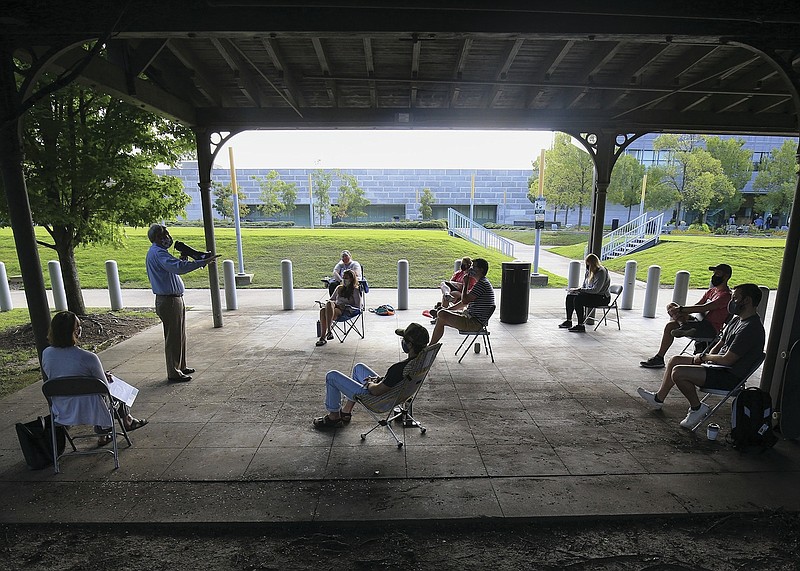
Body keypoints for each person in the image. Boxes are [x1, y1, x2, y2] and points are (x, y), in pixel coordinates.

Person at [637, 283, 766, 429]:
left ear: (747, 301)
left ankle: (697, 408)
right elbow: (721, 344)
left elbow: (728, 359)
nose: (731, 303)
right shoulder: (737, 320)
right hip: (717, 367)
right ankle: (658, 399)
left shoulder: (751, 329)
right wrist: (705, 357)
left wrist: (704, 358)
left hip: (729, 376)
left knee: (678, 372)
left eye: (735, 298)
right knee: (675, 360)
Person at [41, 311, 147, 446]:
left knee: (97, 390)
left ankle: (121, 424)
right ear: (75, 332)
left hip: (62, 409)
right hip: (93, 408)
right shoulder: (88, 357)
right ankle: (119, 424)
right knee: (113, 387)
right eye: (78, 326)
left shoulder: (46, 354)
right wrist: (102, 378)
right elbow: (104, 389)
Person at [313, 322, 430, 430]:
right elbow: (392, 382)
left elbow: (376, 391)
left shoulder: (399, 368)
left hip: (379, 399)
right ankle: (346, 411)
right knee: (359, 368)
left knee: (332, 376)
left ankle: (334, 417)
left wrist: (370, 384)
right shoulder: (419, 362)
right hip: (396, 394)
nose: (402, 342)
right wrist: (380, 380)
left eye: (403, 339)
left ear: (409, 345)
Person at [145, 223, 218, 382]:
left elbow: (173, 269)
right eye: (165, 233)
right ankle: (174, 371)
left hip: (173, 299)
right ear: (158, 237)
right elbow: (178, 267)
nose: (168, 237)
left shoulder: (159, 253)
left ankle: (181, 366)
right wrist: (200, 261)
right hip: (169, 300)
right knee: (173, 337)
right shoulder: (158, 253)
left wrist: (185, 257)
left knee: (179, 335)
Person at [640, 264, 733, 369]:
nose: (714, 276)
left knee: (673, 318)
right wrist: (681, 312)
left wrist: (680, 310)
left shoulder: (726, 296)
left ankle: (683, 326)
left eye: (718, 274)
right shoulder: (712, 291)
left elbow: (704, 307)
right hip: (698, 321)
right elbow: (697, 305)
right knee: (671, 307)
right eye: (714, 273)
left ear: (726, 277)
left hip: (710, 328)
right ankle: (681, 327)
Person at [428, 258, 495, 346]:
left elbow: (464, 300)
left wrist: (465, 284)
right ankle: (431, 345)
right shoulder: (481, 283)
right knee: (442, 314)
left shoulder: (482, 284)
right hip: (470, 317)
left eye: (473, 267)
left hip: (474, 323)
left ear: (481, 270)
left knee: (442, 315)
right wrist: (449, 310)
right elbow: (464, 303)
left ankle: (430, 345)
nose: (471, 269)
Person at [558, 253, 611, 333]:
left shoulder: (601, 272)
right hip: (591, 295)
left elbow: (596, 290)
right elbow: (584, 286)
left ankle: (581, 325)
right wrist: (576, 290)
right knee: (570, 296)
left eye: (588, 265)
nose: (587, 267)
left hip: (602, 297)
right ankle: (568, 320)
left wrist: (580, 290)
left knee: (578, 299)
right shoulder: (589, 271)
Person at [316, 269, 362, 346]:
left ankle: (324, 336)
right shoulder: (339, 288)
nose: (344, 280)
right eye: (343, 277)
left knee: (325, 311)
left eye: (346, 278)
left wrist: (345, 306)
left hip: (346, 310)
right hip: (335, 307)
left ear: (351, 279)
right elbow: (331, 299)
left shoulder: (355, 290)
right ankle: (328, 332)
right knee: (325, 307)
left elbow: (358, 306)